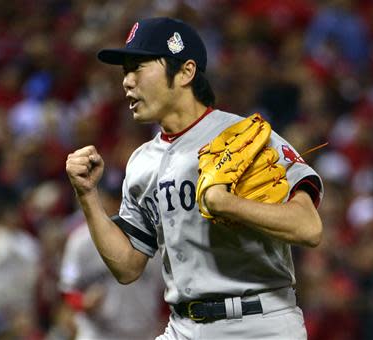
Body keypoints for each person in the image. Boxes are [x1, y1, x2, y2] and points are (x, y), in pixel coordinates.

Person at [66, 17, 323, 340]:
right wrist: (88, 196)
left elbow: (308, 227)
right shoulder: (142, 162)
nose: (127, 82)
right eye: (124, 71)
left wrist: (227, 203)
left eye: (139, 67)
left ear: (186, 71)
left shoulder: (246, 138)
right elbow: (128, 266)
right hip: (183, 327)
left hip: (260, 323)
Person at [58, 180, 165, 340]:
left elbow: (166, 291)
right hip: (99, 334)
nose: (117, 205)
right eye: (111, 198)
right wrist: (83, 302)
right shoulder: (81, 241)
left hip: (145, 334)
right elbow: (67, 289)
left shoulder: (152, 239)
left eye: (121, 199)